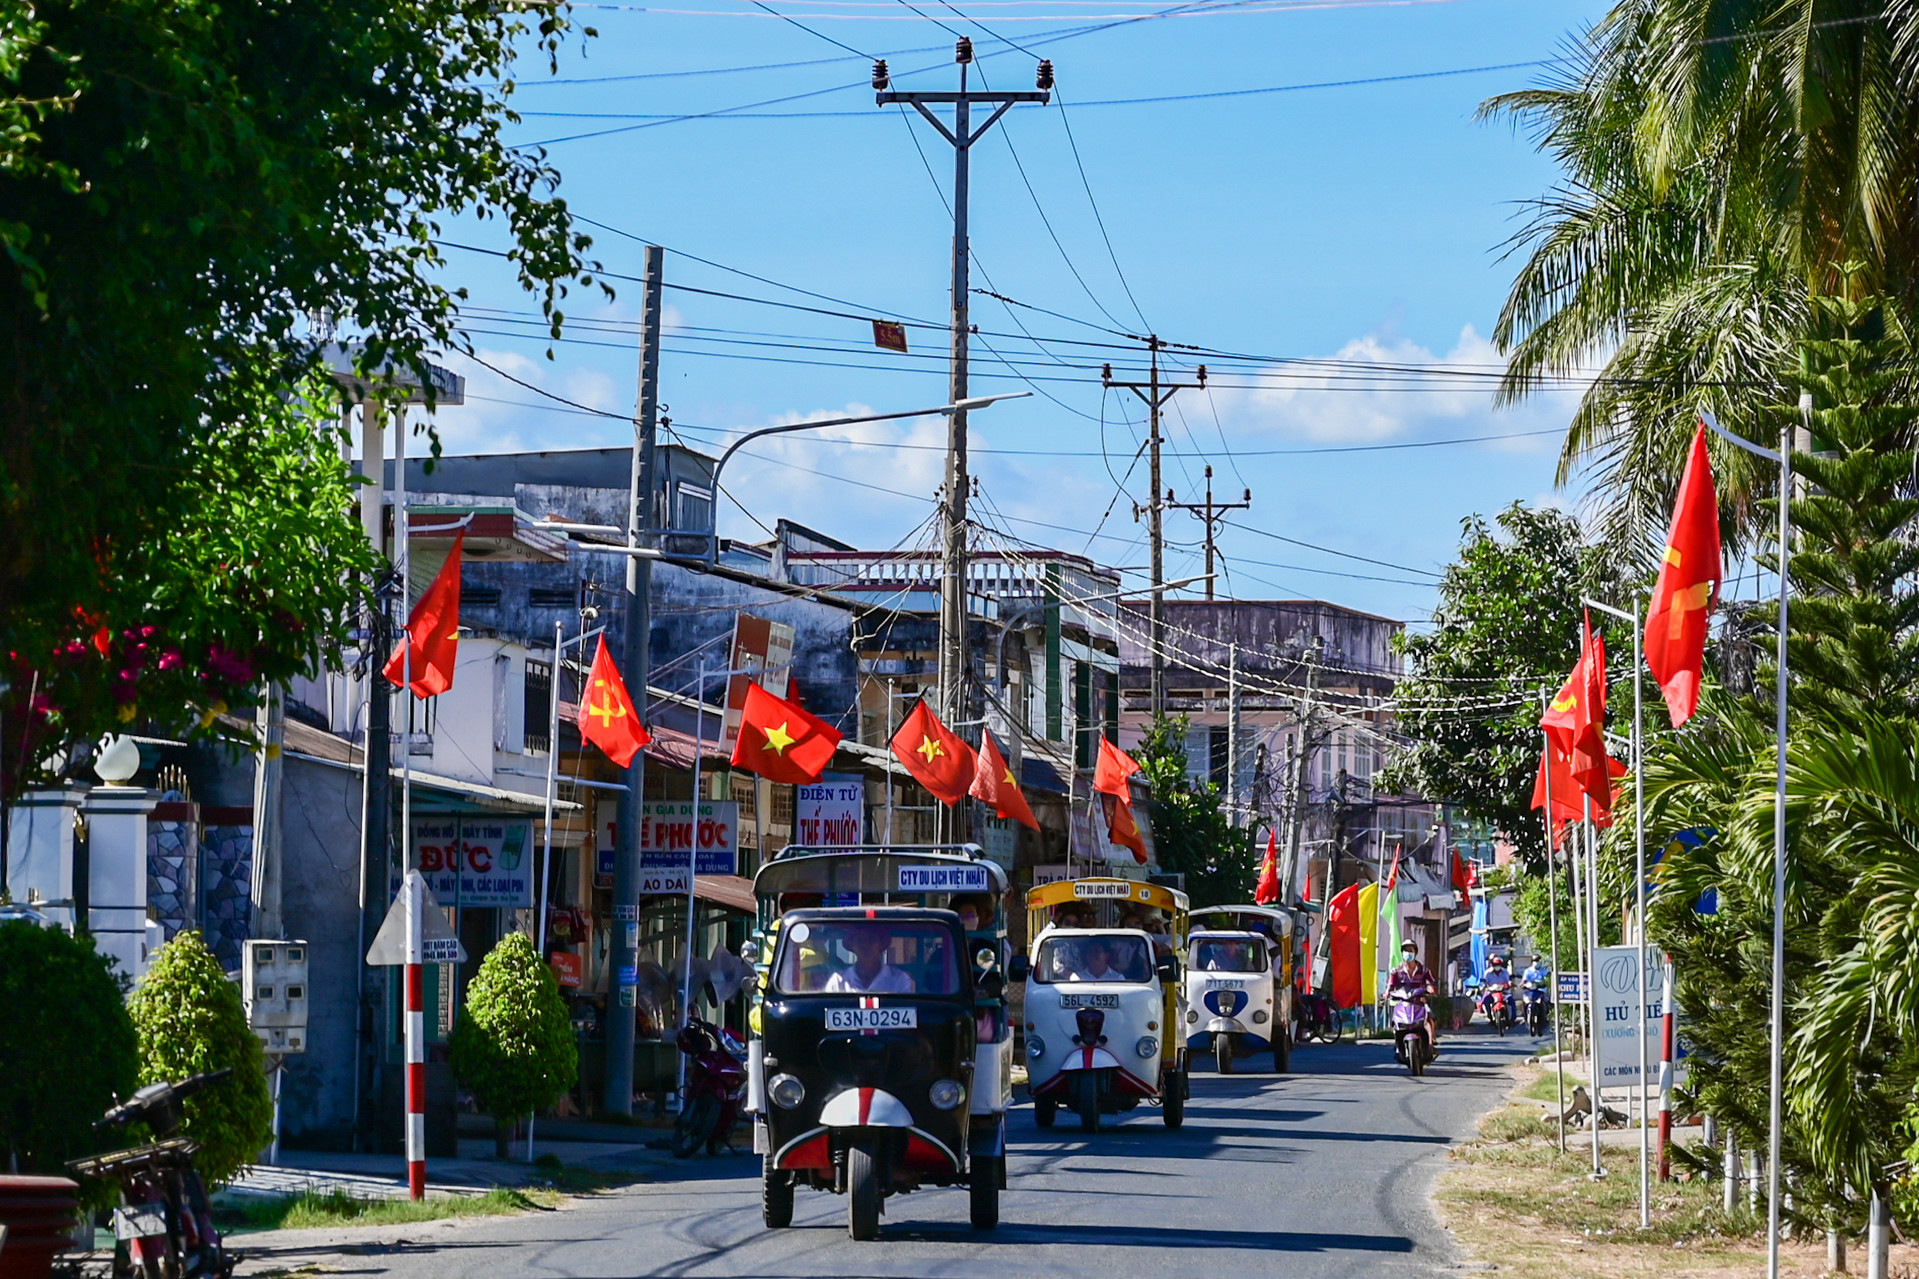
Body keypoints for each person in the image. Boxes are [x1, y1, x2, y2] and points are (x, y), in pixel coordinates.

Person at [823, 930, 916, 993]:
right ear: (852, 946)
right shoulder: (838, 981)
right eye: (860, 940)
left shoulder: (900, 980)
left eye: (870, 940)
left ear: (880, 945)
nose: (865, 946)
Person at [1388, 940, 1439, 1052]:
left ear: (1415, 953)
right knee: (1395, 1020)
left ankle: (1431, 1039)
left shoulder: (1424, 970)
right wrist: (1387, 993)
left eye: (1410, 950)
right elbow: (1390, 985)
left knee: (1430, 1016)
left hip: (1419, 1001)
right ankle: (1398, 1043)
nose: (1408, 953)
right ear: (1402, 953)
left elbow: (1431, 982)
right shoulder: (1396, 970)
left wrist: (1430, 988)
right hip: (1403, 1003)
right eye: (1406, 950)